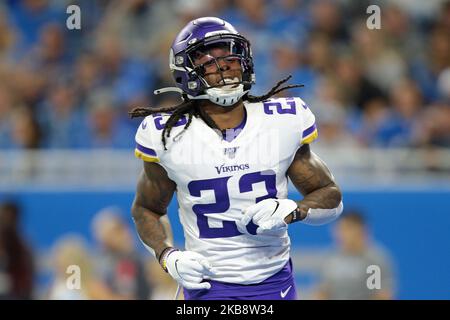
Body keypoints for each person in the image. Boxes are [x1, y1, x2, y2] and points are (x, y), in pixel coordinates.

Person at [130, 17, 343, 300]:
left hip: (273, 280)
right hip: (206, 283)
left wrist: (294, 209)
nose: (225, 66)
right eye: (210, 60)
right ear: (187, 71)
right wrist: (167, 256)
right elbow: (147, 209)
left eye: (230, 57)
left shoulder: (282, 121)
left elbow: (330, 196)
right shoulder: (166, 135)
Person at [314, 211, 395, 300]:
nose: (341, 233)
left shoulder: (374, 260)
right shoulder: (330, 258)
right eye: (339, 229)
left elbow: (381, 295)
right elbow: (321, 292)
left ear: (360, 230)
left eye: (347, 228)